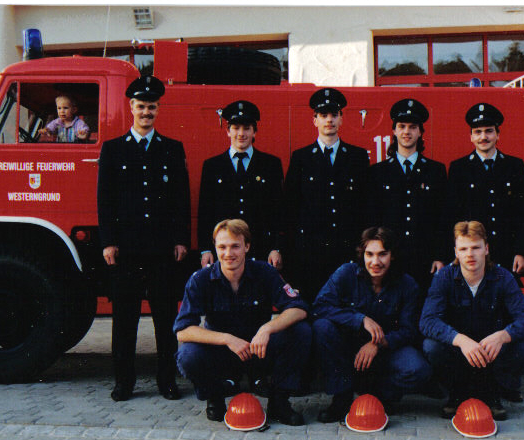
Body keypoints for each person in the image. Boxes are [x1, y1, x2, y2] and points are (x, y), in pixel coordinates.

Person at [97, 75, 191, 402]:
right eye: (141, 106)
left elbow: (181, 199)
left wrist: (181, 240)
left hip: (163, 251)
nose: (146, 112)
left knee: (165, 319)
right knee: (125, 320)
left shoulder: (171, 149)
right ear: (131, 107)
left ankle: (167, 381)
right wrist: (108, 242)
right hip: (127, 250)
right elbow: (105, 200)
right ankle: (124, 382)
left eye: (151, 107)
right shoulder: (113, 150)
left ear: (158, 109)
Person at [174, 219, 310, 425]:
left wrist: (266, 329)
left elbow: (298, 308)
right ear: (215, 248)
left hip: (259, 349)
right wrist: (227, 339)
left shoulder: (265, 272)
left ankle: (279, 402)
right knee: (188, 354)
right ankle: (215, 398)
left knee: (301, 331)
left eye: (235, 246)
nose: (228, 253)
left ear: (247, 246)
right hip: (223, 352)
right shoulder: (200, 279)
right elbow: (183, 330)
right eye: (222, 247)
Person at [420, 221, 524, 421]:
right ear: (456, 252)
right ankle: (456, 393)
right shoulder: (444, 277)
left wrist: (503, 336)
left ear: (486, 249)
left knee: (523, 347)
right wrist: (459, 339)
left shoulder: (503, 277)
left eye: (476, 247)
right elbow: (427, 320)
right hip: (460, 351)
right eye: (463, 249)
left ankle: (493, 393)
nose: (470, 254)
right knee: (431, 347)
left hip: (490, 351)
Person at [312, 227, 432, 422]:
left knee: (418, 369)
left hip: (386, 350)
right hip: (348, 349)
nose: (375, 262)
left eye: (382, 254)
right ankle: (341, 397)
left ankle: (379, 396)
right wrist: (360, 319)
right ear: (362, 254)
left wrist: (378, 343)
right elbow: (320, 307)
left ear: (392, 255)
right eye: (370, 254)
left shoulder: (407, 284)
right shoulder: (346, 273)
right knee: (322, 327)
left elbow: (410, 330)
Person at [284, 88, 370, 303]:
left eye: (334, 115)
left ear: (341, 119)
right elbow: (290, 208)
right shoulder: (301, 158)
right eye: (323, 115)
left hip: (347, 251)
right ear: (315, 120)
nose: (329, 120)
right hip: (311, 254)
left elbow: (365, 206)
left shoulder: (357, 157)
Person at [363, 98, 448, 294]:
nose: (407, 132)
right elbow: (371, 219)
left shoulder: (435, 171)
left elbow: (443, 218)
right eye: (402, 126)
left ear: (420, 132)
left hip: (425, 260)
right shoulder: (377, 172)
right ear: (394, 131)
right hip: (390, 260)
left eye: (412, 127)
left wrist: (440, 256)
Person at [446, 102, 524, 277]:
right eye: (478, 132)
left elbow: (523, 213)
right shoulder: (459, 168)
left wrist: (521, 252)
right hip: (472, 255)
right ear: (471, 136)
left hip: (507, 254)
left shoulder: (514, 166)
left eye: (489, 131)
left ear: (498, 134)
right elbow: (453, 216)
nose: (483, 137)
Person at [197, 100, 284, 269]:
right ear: (228, 131)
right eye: (236, 128)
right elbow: (205, 211)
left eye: (247, 128)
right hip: (224, 252)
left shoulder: (270, 164)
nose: (241, 134)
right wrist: (205, 249)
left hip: (261, 249)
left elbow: (278, 211)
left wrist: (276, 248)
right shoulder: (212, 166)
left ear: (254, 132)